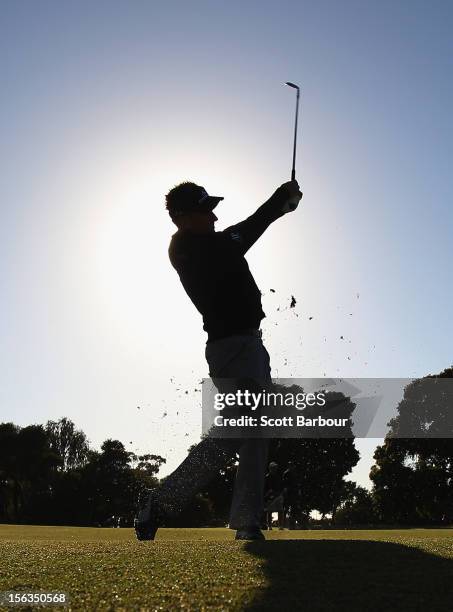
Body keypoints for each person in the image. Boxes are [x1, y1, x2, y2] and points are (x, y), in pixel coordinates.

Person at [134, 179, 302, 541]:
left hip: (248, 346)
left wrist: (279, 206)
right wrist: (277, 203)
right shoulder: (186, 247)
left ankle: (244, 520)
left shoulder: (205, 241)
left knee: (251, 432)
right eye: (204, 209)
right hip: (232, 348)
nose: (213, 215)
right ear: (182, 217)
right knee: (238, 431)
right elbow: (238, 238)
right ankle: (169, 504)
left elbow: (234, 238)